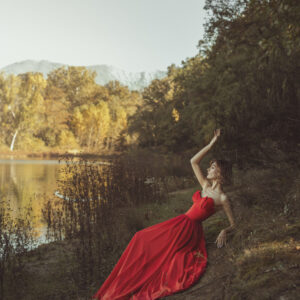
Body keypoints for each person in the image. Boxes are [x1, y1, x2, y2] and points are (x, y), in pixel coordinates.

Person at [92, 129, 235, 300]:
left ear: (220, 172)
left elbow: (234, 224)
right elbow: (193, 162)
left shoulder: (223, 197)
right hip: (179, 223)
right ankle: (123, 281)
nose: (209, 169)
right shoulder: (204, 186)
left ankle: (134, 285)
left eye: (213, 167)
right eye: (210, 166)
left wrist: (225, 230)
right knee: (140, 237)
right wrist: (211, 144)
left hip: (190, 233)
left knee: (162, 256)